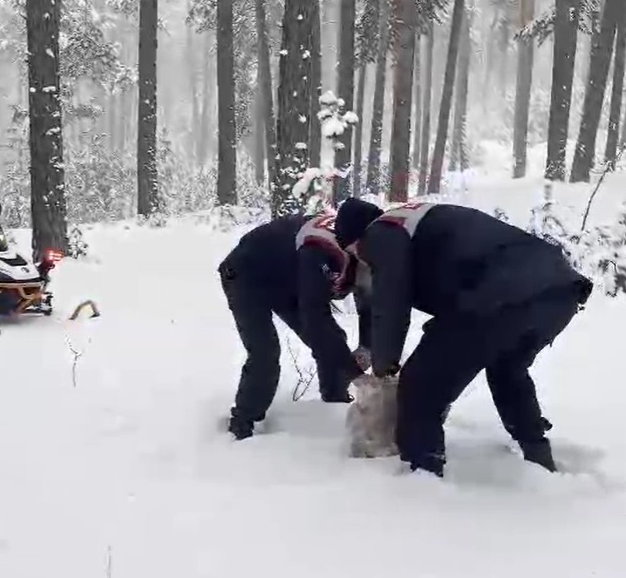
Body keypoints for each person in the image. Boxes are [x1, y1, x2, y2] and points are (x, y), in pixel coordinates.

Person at [334, 199, 593, 477]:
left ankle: (422, 476)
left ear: (356, 236)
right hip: (559, 291)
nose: (360, 259)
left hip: (496, 294)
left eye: (352, 251)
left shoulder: (381, 231)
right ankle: (538, 457)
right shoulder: (415, 219)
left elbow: (391, 300)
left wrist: (384, 365)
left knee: (421, 384)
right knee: (508, 370)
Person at [219, 208, 374, 440]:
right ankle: (242, 425)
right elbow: (315, 318)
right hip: (245, 273)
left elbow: (368, 303)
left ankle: (334, 403)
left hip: (287, 276)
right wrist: (355, 374)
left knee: (333, 339)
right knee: (265, 352)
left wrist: (367, 346)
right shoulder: (321, 251)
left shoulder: (364, 245)